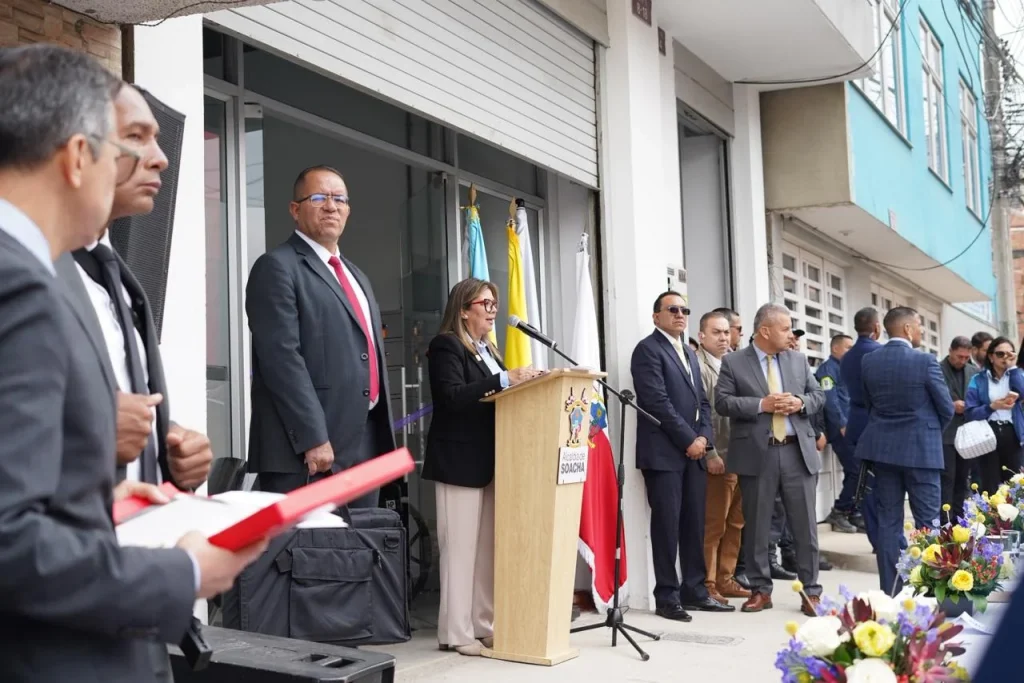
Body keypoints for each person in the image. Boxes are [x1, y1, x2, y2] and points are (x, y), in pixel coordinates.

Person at [0, 44, 264, 683]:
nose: (150, 160)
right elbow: (11, 541)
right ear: (78, 156)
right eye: (122, 145)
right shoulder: (21, 284)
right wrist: (185, 571)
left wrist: (100, 498)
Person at [57, 84, 213, 493]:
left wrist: (167, 449)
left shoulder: (122, 279)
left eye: (156, 139)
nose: (161, 159)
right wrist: (91, 429)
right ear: (77, 149)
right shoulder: (26, 271)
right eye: (136, 137)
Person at [246, 165, 395, 500]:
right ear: (295, 209)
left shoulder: (357, 276)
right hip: (309, 451)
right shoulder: (277, 267)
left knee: (362, 535)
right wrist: (313, 437)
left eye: (339, 199)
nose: (331, 206)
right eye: (318, 198)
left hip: (364, 444)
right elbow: (281, 359)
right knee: (312, 536)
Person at [422, 278, 542, 656]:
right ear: (463, 310)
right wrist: (505, 378)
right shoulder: (447, 346)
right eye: (485, 304)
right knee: (459, 551)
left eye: (494, 304)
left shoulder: (489, 349)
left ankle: (483, 624)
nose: (492, 311)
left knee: (486, 551)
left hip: (492, 460)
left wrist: (526, 383)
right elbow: (452, 396)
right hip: (459, 461)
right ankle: (457, 633)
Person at [715, 303, 825, 616]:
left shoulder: (798, 360)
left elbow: (819, 396)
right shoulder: (734, 362)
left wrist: (800, 402)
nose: (791, 335)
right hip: (756, 453)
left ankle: (811, 592)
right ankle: (761, 590)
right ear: (765, 331)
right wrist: (761, 405)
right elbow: (722, 402)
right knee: (756, 527)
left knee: (805, 527)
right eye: (785, 328)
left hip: (796, 452)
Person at [632, 292, 724, 621]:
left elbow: (702, 402)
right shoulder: (647, 349)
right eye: (672, 309)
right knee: (667, 527)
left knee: (694, 524)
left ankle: (695, 590)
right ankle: (667, 597)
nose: (680, 314)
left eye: (685, 309)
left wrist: (704, 439)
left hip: (694, 453)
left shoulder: (688, 352)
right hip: (664, 454)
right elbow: (656, 402)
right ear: (656, 316)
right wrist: (688, 439)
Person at [856, 307, 954, 594]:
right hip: (922, 452)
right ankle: (931, 591)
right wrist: (928, 430)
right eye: (920, 325)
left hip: (883, 451)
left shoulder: (869, 361)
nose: (922, 331)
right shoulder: (925, 361)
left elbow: (869, 405)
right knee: (927, 523)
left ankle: (892, 591)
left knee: (888, 523)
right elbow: (946, 408)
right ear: (908, 329)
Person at [695, 310, 750, 606]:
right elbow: (702, 413)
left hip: (741, 456)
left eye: (727, 332)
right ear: (702, 336)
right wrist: (710, 453)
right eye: (716, 332)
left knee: (736, 522)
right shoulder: (699, 366)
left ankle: (726, 578)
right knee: (714, 525)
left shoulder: (733, 363)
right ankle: (708, 583)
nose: (723, 338)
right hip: (718, 457)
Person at [840, 307, 884, 551]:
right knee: (885, 487)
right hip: (878, 425)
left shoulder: (847, 356)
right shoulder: (880, 353)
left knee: (866, 486)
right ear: (877, 327)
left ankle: (876, 539)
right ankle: (887, 541)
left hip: (856, 424)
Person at [965, 337, 1024, 492]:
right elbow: (970, 412)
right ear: (991, 357)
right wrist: (992, 407)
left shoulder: (1017, 375)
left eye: (1009, 354)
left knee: (1015, 484)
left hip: (1013, 433)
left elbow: (1022, 393)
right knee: (989, 485)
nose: (1005, 357)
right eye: (1000, 354)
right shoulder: (978, 379)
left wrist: (1013, 368)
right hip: (987, 433)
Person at [818, 334, 859, 534]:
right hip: (840, 430)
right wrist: (842, 424)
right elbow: (830, 400)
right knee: (855, 470)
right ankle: (840, 511)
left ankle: (854, 512)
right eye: (848, 347)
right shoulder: (827, 370)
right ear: (835, 348)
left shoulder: (848, 369)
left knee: (859, 472)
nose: (851, 351)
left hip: (853, 428)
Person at [939, 336, 978, 519]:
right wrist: (951, 405)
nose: (962, 361)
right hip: (946, 432)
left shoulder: (973, 371)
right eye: (959, 357)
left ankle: (959, 519)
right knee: (947, 479)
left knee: (963, 479)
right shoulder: (937, 369)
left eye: (966, 357)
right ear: (950, 351)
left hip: (967, 433)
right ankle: (945, 521)